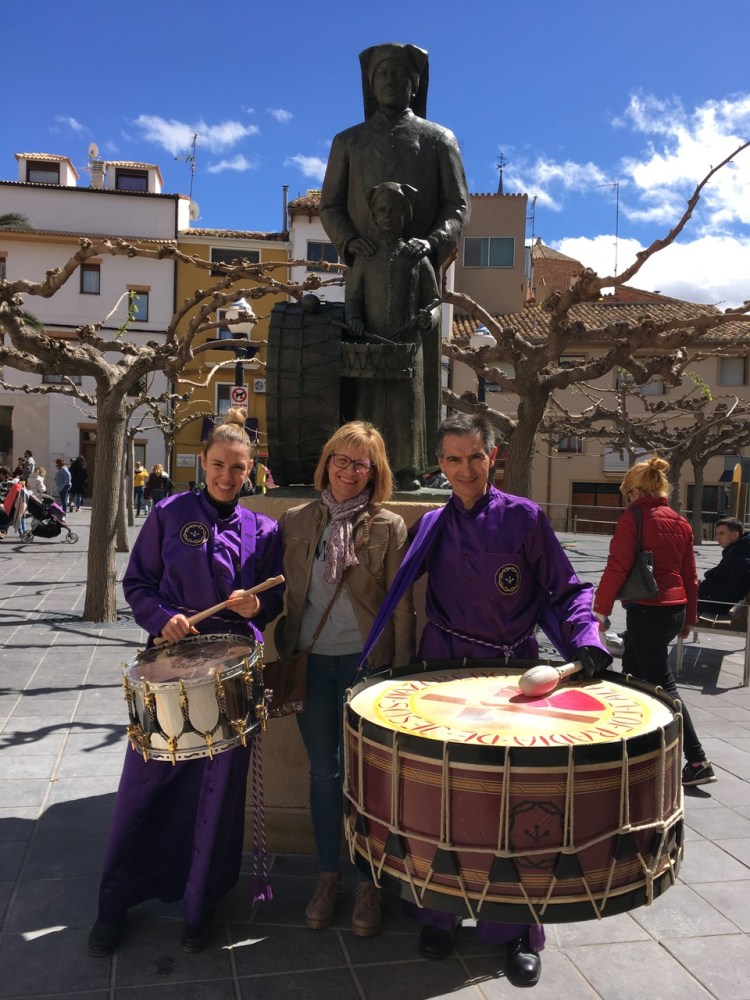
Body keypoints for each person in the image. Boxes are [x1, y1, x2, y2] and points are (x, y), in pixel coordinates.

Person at [359, 412, 609, 988]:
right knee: (441, 797)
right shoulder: (431, 525)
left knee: (512, 808)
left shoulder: (525, 518)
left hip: (513, 675)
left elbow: (568, 588)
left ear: (492, 457)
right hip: (444, 673)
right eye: (453, 459)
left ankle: (517, 929)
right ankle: (439, 913)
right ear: (439, 465)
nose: (465, 470)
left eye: (475, 457)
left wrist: (587, 639)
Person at [88, 408, 284, 957]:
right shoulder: (171, 513)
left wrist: (257, 603)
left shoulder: (262, 530)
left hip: (230, 673)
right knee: (146, 787)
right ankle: (116, 902)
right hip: (170, 664)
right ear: (204, 463)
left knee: (218, 796)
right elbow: (138, 581)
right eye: (218, 465)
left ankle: (199, 905)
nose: (227, 476)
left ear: (251, 471)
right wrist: (160, 618)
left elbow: (275, 601)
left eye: (238, 468)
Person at [275, 420, 415, 938]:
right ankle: (327, 876)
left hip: (365, 668)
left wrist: (398, 676)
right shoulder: (294, 520)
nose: (349, 470)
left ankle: (367, 882)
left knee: (367, 779)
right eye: (342, 458)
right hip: (310, 665)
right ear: (327, 460)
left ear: (374, 472)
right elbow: (278, 591)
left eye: (362, 463)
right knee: (324, 774)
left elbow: (400, 608)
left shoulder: (388, 527)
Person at [320, 41, 470, 461]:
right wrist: (350, 240)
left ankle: (412, 465)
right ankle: (355, 463)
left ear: (414, 83)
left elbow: (457, 206)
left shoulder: (438, 139)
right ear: (370, 83)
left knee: (414, 386)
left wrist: (433, 242)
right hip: (366, 274)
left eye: (399, 74)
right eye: (382, 74)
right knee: (361, 379)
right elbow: (330, 204)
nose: (390, 81)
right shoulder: (348, 141)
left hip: (414, 271)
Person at [593, 456, 716, 788]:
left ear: (634, 491)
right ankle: (635, 747)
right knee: (631, 675)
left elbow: (617, 566)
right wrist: (689, 618)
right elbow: (690, 576)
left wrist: (600, 611)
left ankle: (697, 759)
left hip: (647, 609)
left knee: (663, 685)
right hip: (673, 609)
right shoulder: (680, 521)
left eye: (625, 493)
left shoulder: (634, 518)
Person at [345, 181, 440, 489]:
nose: (387, 215)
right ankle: (367, 469)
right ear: (373, 216)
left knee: (405, 411)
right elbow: (353, 300)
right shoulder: (365, 258)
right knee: (369, 410)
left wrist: (429, 318)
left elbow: (435, 301)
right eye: (381, 210)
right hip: (371, 349)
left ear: (405, 215)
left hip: (408, 350)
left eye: (394, 210)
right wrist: (355, 320)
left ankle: (406, 471)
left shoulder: (416, 258)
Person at [697, 516, 750, 616]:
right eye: (717, 534)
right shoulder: (737, 551)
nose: (717, 538)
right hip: (722, 602)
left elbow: (734, 593)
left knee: (682, 602)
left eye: (722, 533)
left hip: (722, 605)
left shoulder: (738, 557)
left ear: (735, 535)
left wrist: (707, 587)